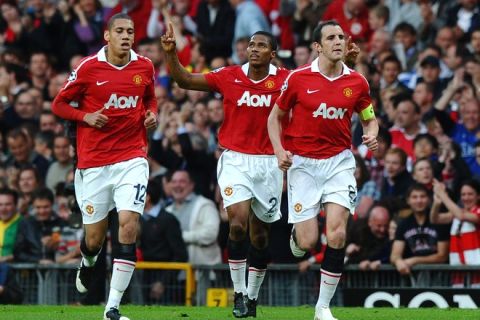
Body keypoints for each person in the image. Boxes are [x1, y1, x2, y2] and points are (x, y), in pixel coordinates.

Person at [161, 22, 360, 318]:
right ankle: (239, 294)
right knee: (237, 222)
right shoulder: (229, 76)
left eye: (261, 45)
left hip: (269, 163)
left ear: (273, 54)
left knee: (260, 236)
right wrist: (170, 54)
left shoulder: (286, 79)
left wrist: (349, 60)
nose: (253, 49)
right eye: (251, 45)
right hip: (236, 159)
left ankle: (252, 296)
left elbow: (324, 78)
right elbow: (185, 80)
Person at [267, 20, 378, 320]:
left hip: (339, 163)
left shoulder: (357, 82)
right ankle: (296, 237)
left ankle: (323, 308)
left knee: (338, 234)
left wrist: (372, 132)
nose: (338, 41)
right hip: (303, 164)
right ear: (318, 46)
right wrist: (279, 150)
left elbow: (369, 116)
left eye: (341, 36)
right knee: (307, 243)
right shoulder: (298, 78)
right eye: (331, 37)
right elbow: (275, 117)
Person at [51, 13, 157, 320]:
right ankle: (88, 261)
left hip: (132, 158)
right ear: (107, 36)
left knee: (128, 225)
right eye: (120, 31)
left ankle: (112, 308)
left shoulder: (144, 66)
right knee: (94, 240)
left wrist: (151, 114)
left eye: (131, 31)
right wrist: (85, 117)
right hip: (94, 163)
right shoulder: (88, 67)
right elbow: (59, 104)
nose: (127, 36)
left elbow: (150, 99)